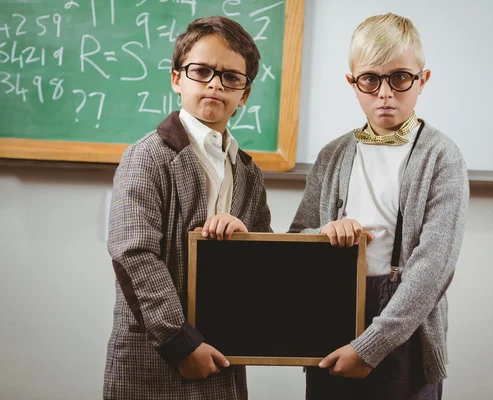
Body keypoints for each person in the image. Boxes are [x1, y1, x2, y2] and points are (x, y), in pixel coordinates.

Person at [289, 13, 469, 400]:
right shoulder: (333, 155)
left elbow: (433, 266)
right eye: (370, 79)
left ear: (423, 80)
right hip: (332, 319)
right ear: (352, 83)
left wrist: (371, 346)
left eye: (400, 78)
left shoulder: (441, 157)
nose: (385, 93)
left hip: (405, 324)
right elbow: (296, 239)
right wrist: (323, 233)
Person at [103, 16, 271, 400]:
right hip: (157, 356)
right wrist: (180, 343)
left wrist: (247, 240)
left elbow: (263, 259)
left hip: (224, 356)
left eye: (231, 77)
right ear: (177, 79)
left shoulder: (248, 171)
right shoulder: (147, 156)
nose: (215, 84)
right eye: (202, 71)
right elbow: (133, 252)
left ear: (244, 93)